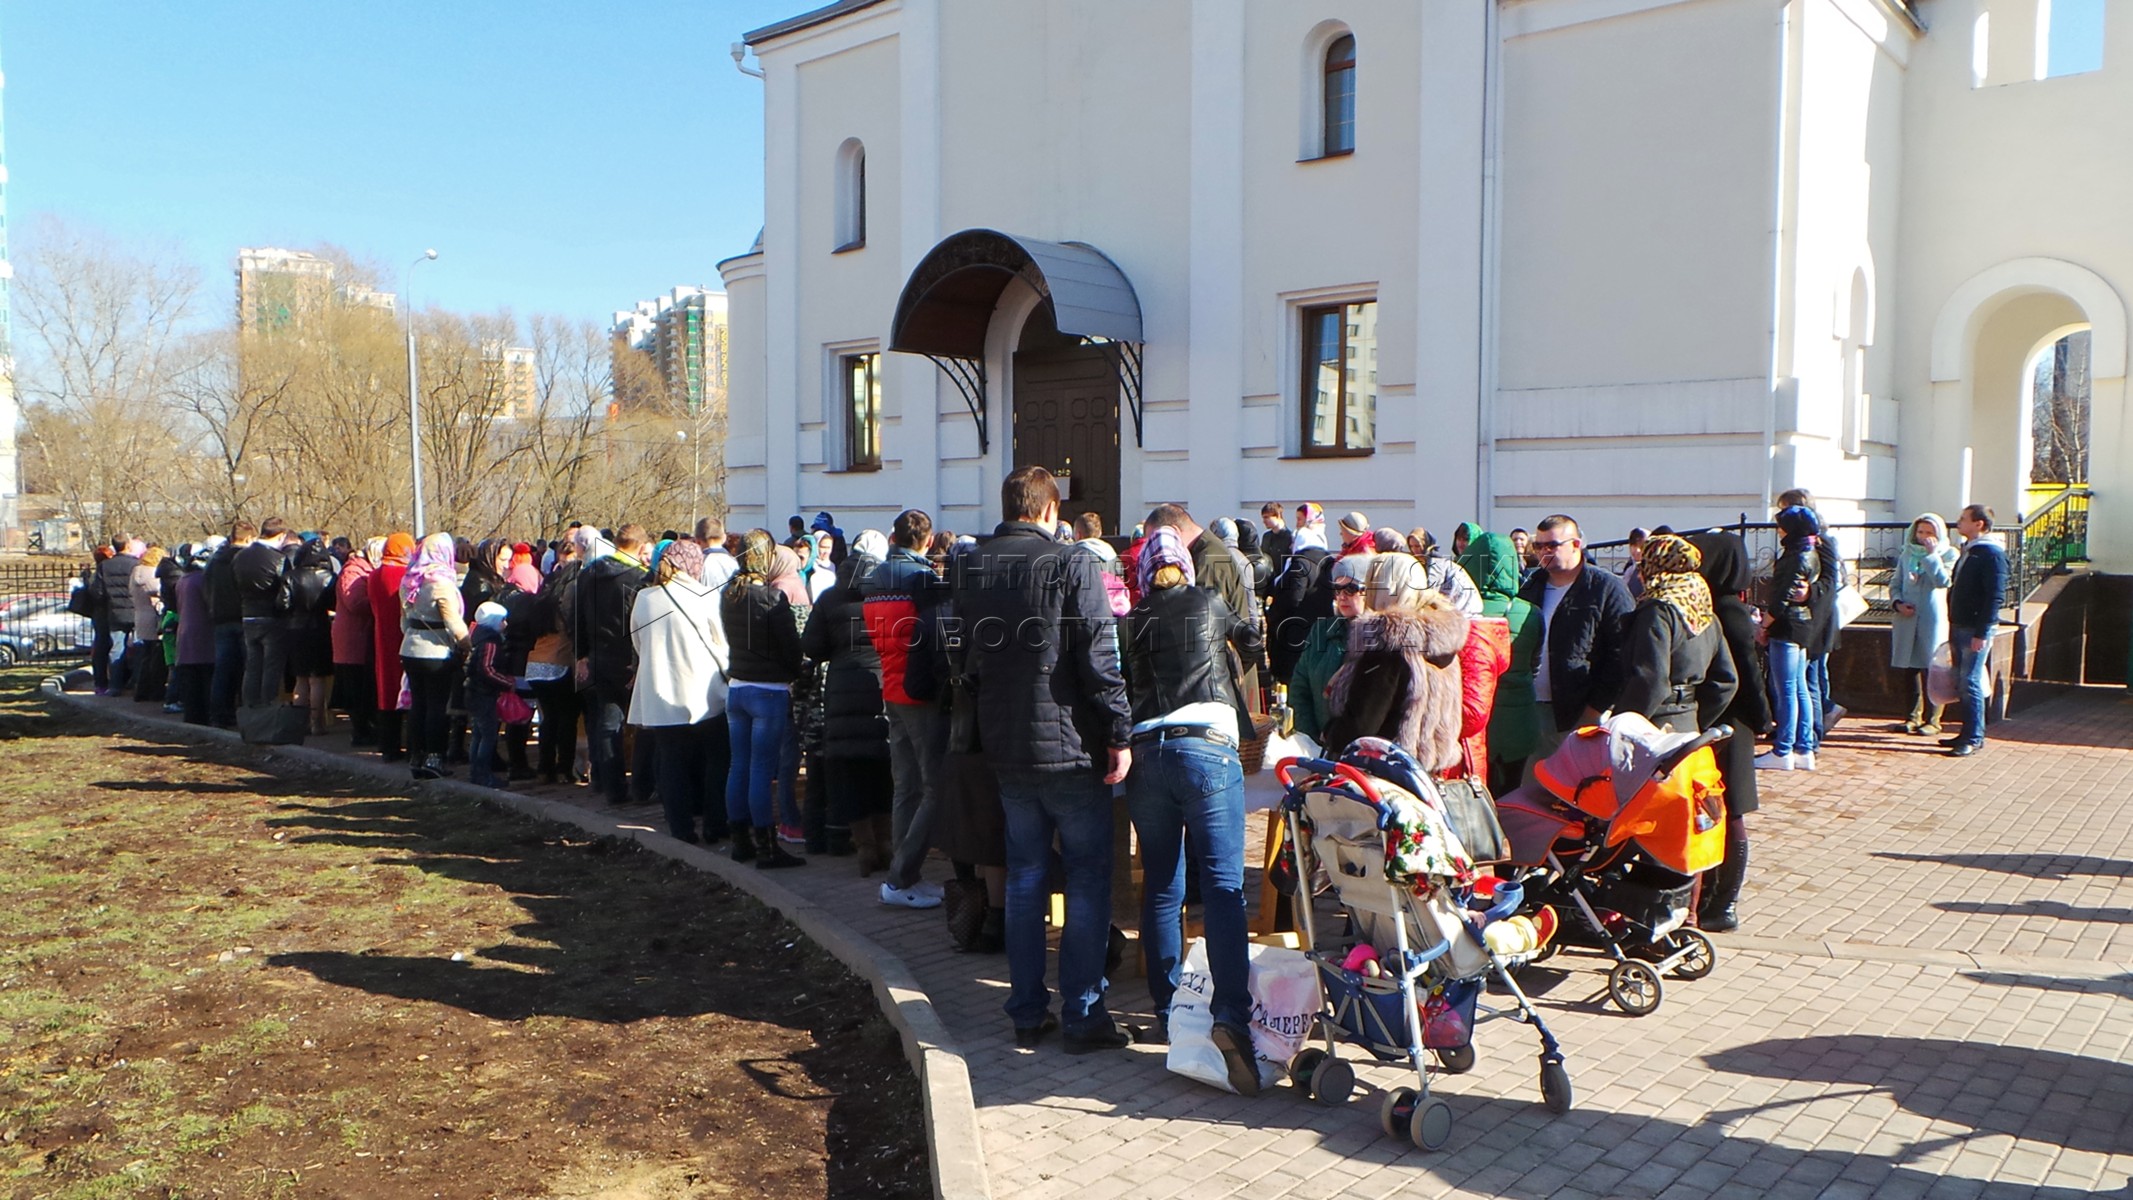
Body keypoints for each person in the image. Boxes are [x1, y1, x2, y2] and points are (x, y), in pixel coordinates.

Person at [954, 465, 1134, 1052]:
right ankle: (1083, 1015)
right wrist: (1119, 732)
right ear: (1050, 511)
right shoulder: (1071, 562)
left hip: (1007, 745)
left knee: (1026, 878)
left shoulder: (972, 563)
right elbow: (1099, 657)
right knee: (1085, 879)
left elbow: (965, 657)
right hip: (1069, 749)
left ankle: (1028, 1010)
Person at [1121, 527, 1264, 1088]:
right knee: (1225, 887)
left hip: (1147, 752)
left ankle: (1168, 1011)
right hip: (1206, 745)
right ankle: (1231, 1016)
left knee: (1161, 886)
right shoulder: (1210, 601)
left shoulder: (1130, 620)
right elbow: (1251, 642)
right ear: (1185, 564)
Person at [859, 509, 947, 904]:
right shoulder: (922, 580)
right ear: (926, 542)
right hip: (920, 693)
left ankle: (903, 875)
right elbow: (934, 636)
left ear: (894, 538)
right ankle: (902, 875)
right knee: (935, 788)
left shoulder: (873, 579)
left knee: (906, 787)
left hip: (890, 687)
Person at [1688, 531, 1770, 933]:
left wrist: (1762, 719)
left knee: (1732, 811)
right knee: (1713, 810)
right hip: (1723, 721)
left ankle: (1725, 902)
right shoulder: (1715, 606)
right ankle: (1710, 895)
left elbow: (1748, 675)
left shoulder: (1728, 611)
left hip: (1732, 722)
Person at [1321, 554, 1471, 771]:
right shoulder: (1442, 640)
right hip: (1425, 772)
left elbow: (1362, 725)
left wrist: (1332, 733)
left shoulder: (1388, 643)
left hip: (1384, 771)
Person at [628, 539, 732, 842]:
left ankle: (681, 829)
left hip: (659, 693)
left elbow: (638, 643)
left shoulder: (645, 598)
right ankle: (715, 822)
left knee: (671, 761)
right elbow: (720, 643)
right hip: (705, 694)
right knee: (717, 759)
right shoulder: (704, 596)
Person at [1516, 514, 1634, 778]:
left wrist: (1595, 708)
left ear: (1576, 544)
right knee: (1532, 791)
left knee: (1575, 791)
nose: (1544, 552)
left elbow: (1621, 653)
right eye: (1539, 546)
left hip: (1579, 710)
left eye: (1553, 545)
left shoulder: (1605, 588)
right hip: (1530, 708)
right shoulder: (1530, 586)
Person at [803, 550, 893, 863]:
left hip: (841, 689)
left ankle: (865, 847)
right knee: (884, 767)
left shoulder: (829, 599)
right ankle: (886, 843)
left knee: (851, 772)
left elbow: (812, 646)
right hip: (881, 686)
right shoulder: (887, 598)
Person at [724, 529, 807, 867]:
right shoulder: (773, 599)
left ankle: (740, 841)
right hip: (768, 690)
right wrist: (794, 672)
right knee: (760, 770)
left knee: (738, 766)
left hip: (737, 687)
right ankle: (768, 848)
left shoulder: (728, 593)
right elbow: (791, 649)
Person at [1614, 535, 1737, 736]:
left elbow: (1650, 680)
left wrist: (1621, 726)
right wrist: (1692, 717)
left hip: (1652, 731)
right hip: (1688, 726)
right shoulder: (1705, 614)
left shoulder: (1657, 613)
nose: (1638, 575)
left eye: (1643, 564)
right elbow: (1726, 682)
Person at [1459, 531, 1540, 796]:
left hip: (1472, 722)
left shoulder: (1456, 611)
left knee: (1473, 796)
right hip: (1519, 723)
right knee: (1510, 794)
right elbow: (1534, 663)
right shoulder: (1531, 612)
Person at [574, 525, 650, 805]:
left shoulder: (587, 574)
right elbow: (641, 622)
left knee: (607, 723)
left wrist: (582, 654)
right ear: (642, 548)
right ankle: (642, 787)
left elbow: (577, 616)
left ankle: (611, 786)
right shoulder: (639, 578)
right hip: (629, 660)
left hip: (598, 657)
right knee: (642, 724)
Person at [1756, 506, 1826, 772]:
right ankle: (1804, 748)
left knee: (1786, 689)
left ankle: (1783, 749)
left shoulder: (1796, 555)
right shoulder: (1810, 552)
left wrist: (1765, 624)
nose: (1779, 531)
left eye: (1782, 526)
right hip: (1802, 625)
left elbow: (1782, 597)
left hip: (1787, 627)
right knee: (1799, 688)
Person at [401, 533, 469, 781]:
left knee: (418, 704)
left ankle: (416, 756)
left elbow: (404, 619)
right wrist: (467, 644)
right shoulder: (440, 583)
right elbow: (453, 621)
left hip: (409, 648)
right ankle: (434, 757)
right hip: (436, 652)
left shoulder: (410, 579)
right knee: (437, 707)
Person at [1944, 504, 2008, 758]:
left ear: (1979, 524)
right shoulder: (1970, 551)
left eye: (1963, 519)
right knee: (1961, 679)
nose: (1958, 523)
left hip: (1975, 627)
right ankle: (1967, 730)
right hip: (1960, 623)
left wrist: (1982, 632)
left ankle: (1974, 736)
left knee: (1970, 680)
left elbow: (1995, 596)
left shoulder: (1991, 553)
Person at [1889, 512, 1957, 736]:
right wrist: (1897, 603)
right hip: (1907, 617)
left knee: (1933, 667)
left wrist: (1931, 554)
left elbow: (1942, 580)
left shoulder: (1948, 554)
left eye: (1929, 533)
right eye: (1920, 532)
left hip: (1931, 616)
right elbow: (1896, 582)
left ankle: (1934, 719)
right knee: (1909, 667)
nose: (1924, 537)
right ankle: (1911, 716)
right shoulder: (1907, 552)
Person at [1289, 555, 1367, 746]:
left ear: (1369, 591)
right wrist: (1311, 736)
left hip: (1363, 750)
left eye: (1350, 589)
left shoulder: (1381, 637)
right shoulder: (1321, 631)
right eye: (1337, 589)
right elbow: (1300, 688)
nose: (1342, 597)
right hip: (1322, 745)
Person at [527, 531, 586, 785]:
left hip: (537, 660)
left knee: (548, 718)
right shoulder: (574, 586)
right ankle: (563, 769)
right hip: (560, 661)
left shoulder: (546, 585)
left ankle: (544, 768)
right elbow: (575, 626)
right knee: (567, 719)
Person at [1267, 504, 1332, 684]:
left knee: (1295, 684)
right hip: (1320, 632)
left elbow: (1293, 598)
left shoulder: (1300, 563)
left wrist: (1273, 614)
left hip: (1296, 633)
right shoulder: (1328, 560)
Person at [235, 518, 296, 710]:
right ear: (280, 535)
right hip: (272, 617)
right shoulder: (279, 559)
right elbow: (285, 592)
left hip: (248, 615)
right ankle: (268, 710)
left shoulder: (240, 557)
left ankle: (249, 710)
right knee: (272, 667)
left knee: (252, 667)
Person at [368, 533, 416, 762]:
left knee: (385, 688)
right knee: (405, 687)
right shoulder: (404, 574)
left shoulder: (374, 574)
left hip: (380, 635)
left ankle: (388, 745)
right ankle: (410, 744)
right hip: (403, 635)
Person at [287, 535, 339, 735]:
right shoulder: (329, 578)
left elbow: (282, 604)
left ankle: (301, 724)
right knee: (318, 679)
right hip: (320, 627)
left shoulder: (291, 576)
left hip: (296, 628)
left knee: (300, 679)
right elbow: (335, 604)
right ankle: (317, 724)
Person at [332, 540, 379, 746]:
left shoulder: (363, 570)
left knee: (363, 687)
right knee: (355, 687)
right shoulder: (354, 571)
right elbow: (355, 602)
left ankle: (365, 729)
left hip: (361, 636)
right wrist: (379, 600)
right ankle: (360, 732)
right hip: (352, 638)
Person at [464, 601, 514, 789]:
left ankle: (475, 772)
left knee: (478, 734)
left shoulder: (476, 637)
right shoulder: (491, 642)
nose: (505, 624)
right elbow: (487, 669)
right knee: (488, 735)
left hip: (473, 691)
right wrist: (506, 682)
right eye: (502, 620)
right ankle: (483, 774)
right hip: (483, 694)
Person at [171, 543, 219, 726]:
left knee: (190, 680)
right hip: (204, 634)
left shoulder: (183, 580)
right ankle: (205, 716)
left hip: (185, 635)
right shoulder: (202, 580)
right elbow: (210, 605)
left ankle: (192, 716)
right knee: (205, 679)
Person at [100, 536, 143, 693]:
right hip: (135, 610)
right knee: (139, 647)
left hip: (115, 612)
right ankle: (138, 683)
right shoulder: (136, 564)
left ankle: (115, 686)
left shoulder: (104, 566)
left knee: (117, 647)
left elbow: (97, 590)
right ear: (126, 545)